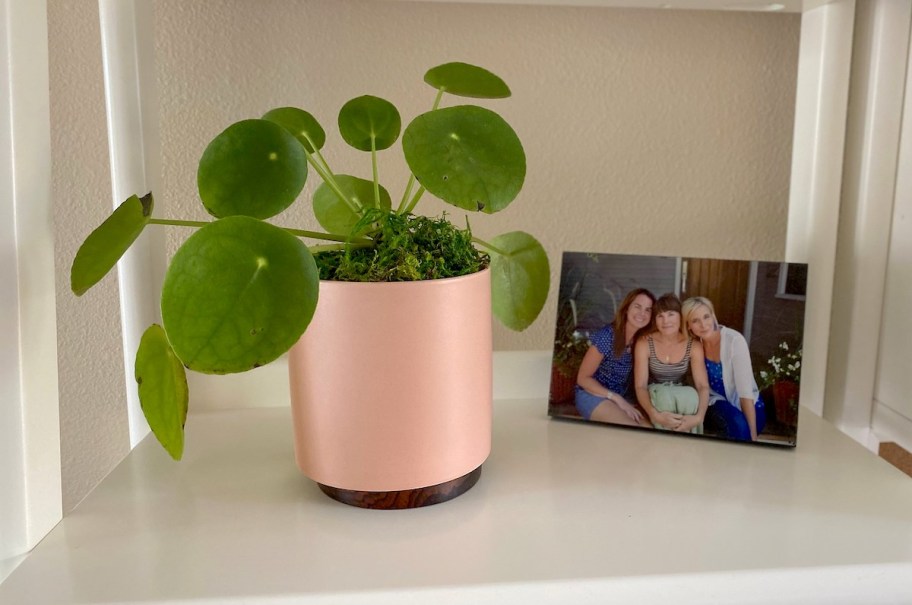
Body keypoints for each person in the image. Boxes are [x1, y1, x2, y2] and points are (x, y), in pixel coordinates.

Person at [681, 296, 766, 441]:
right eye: (695, 321)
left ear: (713, 316)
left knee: (747, 430)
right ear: (688, 325)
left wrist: (753, 435)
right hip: (717, 401)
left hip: (747, 403)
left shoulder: (734, 341)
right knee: (738, 425)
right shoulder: (695, 345)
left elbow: (745, 392)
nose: (703, 324)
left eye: (706, 317)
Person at [575, 288, 656, 427]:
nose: (642, 313)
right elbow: (583, 379)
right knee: (632, 431)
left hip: (621, 398)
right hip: (594, 394)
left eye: (648, 310)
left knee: (649, 430)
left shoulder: (641, 340)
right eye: (638, 306)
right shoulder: (607, 336)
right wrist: (617, 399)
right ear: (626, 309)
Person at [633, 293, 710, 434]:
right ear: (655, 320)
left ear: (681, 317)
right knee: (663, 398)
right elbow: (640, 386)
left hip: (680, 395)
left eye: (671, 314)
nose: (665, 321)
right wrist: (654, 415)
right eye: (660, 316)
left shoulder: (693, 345)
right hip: (656, 395)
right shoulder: (645, 343)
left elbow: (702, 386)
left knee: (691, 397)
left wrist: (699, 417)